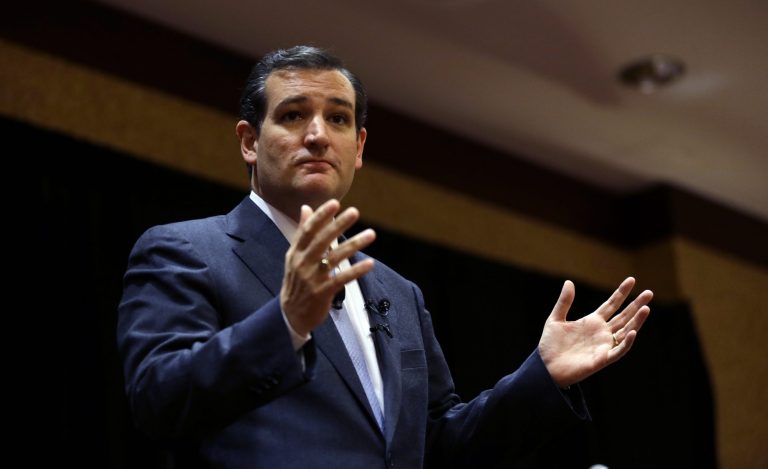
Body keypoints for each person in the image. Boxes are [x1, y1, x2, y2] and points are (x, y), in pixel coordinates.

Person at [118, 45, 653, 468]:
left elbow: (439, 445)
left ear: (359, 148)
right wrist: (286, 324)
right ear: (249, 142)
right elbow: (158, 401)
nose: (317, 135)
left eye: (338, 119)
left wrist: (543, 377)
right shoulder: (186, 251)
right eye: (294, 115)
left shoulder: (398, 294)